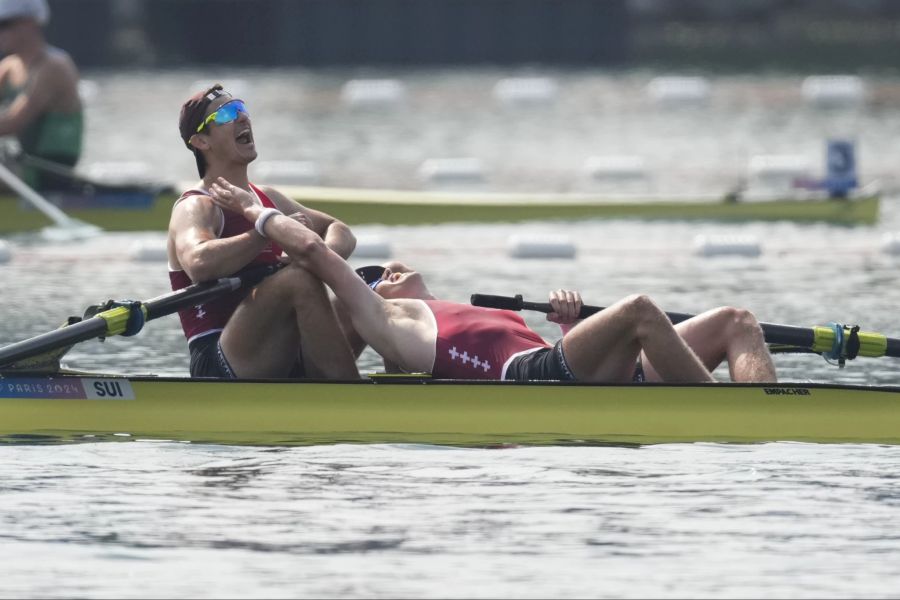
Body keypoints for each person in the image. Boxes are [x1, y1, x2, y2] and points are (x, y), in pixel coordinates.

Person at [205, 177, 778, 384]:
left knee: (738, 320)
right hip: (538, 379)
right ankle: (731, 420)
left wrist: (570, 323)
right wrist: (256, 213)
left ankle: (772, 411)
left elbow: (548, 344)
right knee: (639, 309)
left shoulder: (450, 307)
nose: (387, 274)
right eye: (375, 279)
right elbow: (312, 249)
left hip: (562, 358)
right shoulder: (384, 320)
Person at [167, 83, 359, 380]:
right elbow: (199, 263)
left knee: (376, 280)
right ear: (201, 141)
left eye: (241, 108)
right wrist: (269, 230)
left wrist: (317, 255)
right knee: (298, 281)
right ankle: (353, 403)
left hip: (280, 347)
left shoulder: (268, 198)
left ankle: (412, 388)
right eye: (228, 114)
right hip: (219, 361)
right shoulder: (197, 206)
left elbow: (340, 230)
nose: (243, 118)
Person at [0, 0, 83, 190]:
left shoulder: (54, 66)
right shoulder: (9, 67)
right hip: (24, 167)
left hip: (50, 172)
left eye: (4, 25)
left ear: (30, 23)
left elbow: (13, 122)